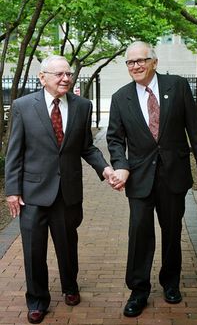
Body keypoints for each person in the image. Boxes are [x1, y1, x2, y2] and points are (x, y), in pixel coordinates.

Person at [106, 41, 197, 317]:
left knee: (172, 232)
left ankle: (170, 283)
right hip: (139, 178)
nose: (136, 66)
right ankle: (138, 290)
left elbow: (195, 129)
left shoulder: (176, 87)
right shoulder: (120, 98)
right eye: (130, 62)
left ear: (154, 61)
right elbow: (115, 140)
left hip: (173, 175)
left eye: (141, 60)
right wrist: (121, 165)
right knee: (139, 234)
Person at [5, 55, 114, 324]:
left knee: (67, 245)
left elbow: (86, 146)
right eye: (59, 74)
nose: (66, 78)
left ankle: (70, 286)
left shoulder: (82, 106)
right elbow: (14, 152)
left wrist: (105, 169)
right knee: (33, 250)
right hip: (32, 193)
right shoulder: (22, 106)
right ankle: (37, 301)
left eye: (69, 74)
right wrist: (12, 191)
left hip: (67, 192)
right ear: (43, 78)